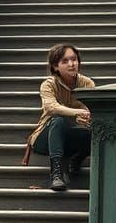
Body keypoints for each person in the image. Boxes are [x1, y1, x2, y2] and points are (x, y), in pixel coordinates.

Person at [23, 43, 94, 191]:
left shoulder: (87, 83)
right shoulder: (48, 85)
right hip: (46, 138)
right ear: (55, 67)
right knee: (58, 120)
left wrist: (86, 118)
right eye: (65, 61)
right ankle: (56, 174)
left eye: (74, 59)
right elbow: (51, 107)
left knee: (97, 130)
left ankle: (77, 159)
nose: (71, 64)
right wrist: (77, 113)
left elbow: (92, 110)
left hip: (72, 136)